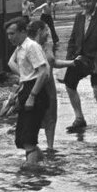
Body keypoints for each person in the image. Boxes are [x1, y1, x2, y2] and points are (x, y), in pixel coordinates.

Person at [62, 0, 97, 132]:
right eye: (83, 2)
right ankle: (79, 118)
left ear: (95, 1)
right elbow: (73, 38)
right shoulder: (79, 17)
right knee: (69, 83)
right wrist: (69, 60)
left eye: (88, 1)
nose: (85, 4)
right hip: (80, 57)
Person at [4, 17, 50, 166]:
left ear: (23, 32)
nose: (10, 37)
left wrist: (32, 96)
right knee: (21, 140)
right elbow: (16, 67)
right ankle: (43, 164)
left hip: (36, 92)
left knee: (29, 139)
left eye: (13, 33)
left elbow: (43, 72)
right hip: (26, 88)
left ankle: (30, 173)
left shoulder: (31, 46)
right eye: (8, 34)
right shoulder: (20, 48)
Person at [27, 19, 59, 151]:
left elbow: (52, 63)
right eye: (47, 30)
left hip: (49, 83)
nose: (48, 33)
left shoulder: (47, 45)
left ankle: (50, 147)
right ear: (40, 31)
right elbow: (13, 62)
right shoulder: (31, 46)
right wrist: (25, 75)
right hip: (37, 82)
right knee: (35, 115)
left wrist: (72, 63)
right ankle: (33, 147)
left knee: (51, 116)